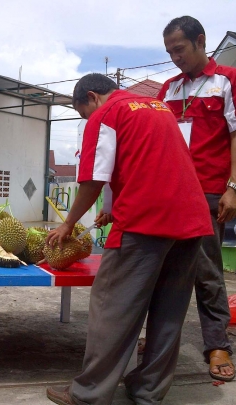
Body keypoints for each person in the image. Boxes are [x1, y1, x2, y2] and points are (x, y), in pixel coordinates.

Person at [44, 73, 213, 405]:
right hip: (192, 222)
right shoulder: (158, 107)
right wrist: (113, 207)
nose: (87, 121)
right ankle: (147, 392)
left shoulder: (106, 113)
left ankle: (89, 393)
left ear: (91, 97)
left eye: (83, 114)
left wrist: (68, 224)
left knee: (112, 307)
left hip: (145, 222)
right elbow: (146, 164)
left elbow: (92, 180)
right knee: (168, 313)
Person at [158, 15, 236, 383]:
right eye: (169, 52)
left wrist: (234, 187)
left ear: (200, 41)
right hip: (169, 194)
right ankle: (163, 340)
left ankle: (217, 345)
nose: (175, 57)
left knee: (207, 272)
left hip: (209, 192)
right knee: (164, 270)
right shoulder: (167, 88)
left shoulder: (230, 80)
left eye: (179, 49)